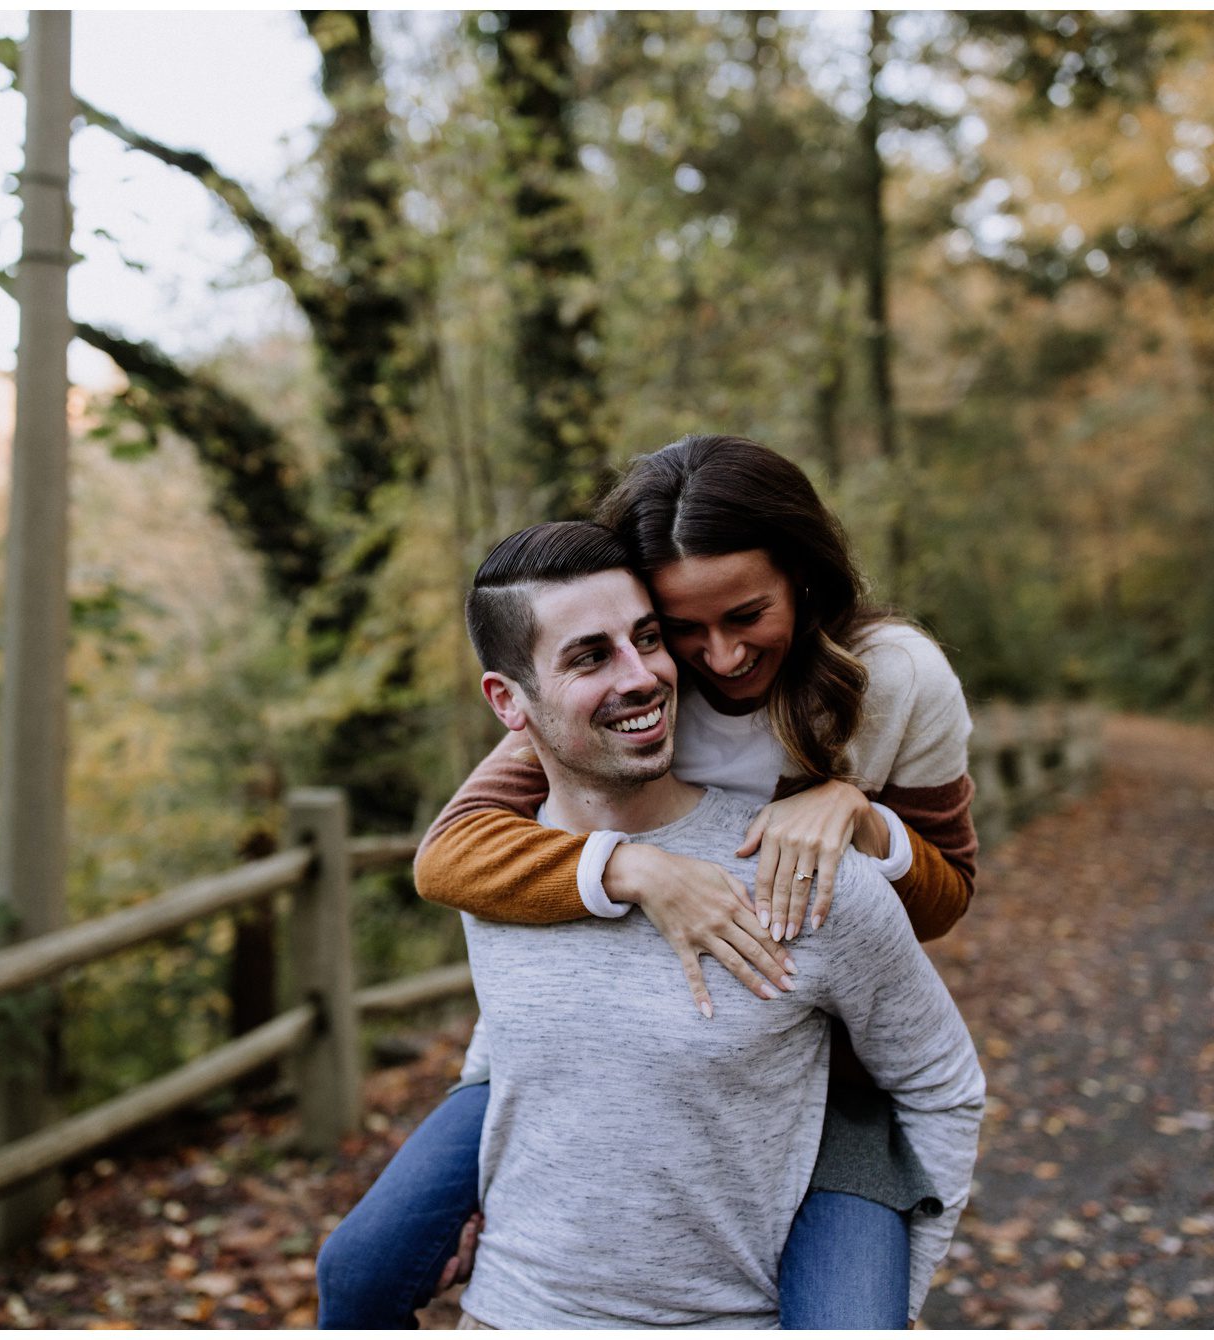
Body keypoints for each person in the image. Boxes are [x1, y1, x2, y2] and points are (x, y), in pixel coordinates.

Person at [316, 436, 980, 1328]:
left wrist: (857, 814)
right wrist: (635, 867)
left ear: (805, 580)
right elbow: (452, 855)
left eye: (747, 616)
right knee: (359, 1271)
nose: (718, 656)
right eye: (682, 627)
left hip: (824, 1070)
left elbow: (941, 901)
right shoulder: (632, 681)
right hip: (586, 1050)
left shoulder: (894, 679)